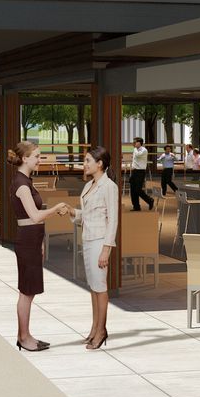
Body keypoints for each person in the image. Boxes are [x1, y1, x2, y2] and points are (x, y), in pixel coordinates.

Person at [10, 141, 72, 353]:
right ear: (25, 158)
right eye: (36, 156)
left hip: (32, 239)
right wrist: (55, 208)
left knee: (29, 291)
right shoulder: (22, 184)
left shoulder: (26, 181)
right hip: (27, 240)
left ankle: (25, 335)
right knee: (27, 291)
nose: (39, 159)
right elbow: (35, 216)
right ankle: (24, 337)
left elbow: (34, 219)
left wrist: (42, 241)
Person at [72, 147, 118, 350]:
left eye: (88, 160)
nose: (85, 163)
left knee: (100, 287)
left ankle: (101, 331)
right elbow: (88, 215)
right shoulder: (89, 185)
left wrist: (106, 250)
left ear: (100, 163)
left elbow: (113, 220)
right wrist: (72, 211)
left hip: (100, 241)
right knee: (93, 287)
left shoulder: (109, 186)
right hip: (88, 239)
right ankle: (94, 328)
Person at [127, 137, 155, 211]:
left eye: (135, 142)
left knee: (138, 189)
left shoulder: (144, 150)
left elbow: (138, 155)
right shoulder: (135, 149)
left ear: (139, 143)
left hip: (140, 172)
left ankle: (149, 200)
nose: (133, 143)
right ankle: (136, 206)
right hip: (134, 172)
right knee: (133, 190)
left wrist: (135, 149)